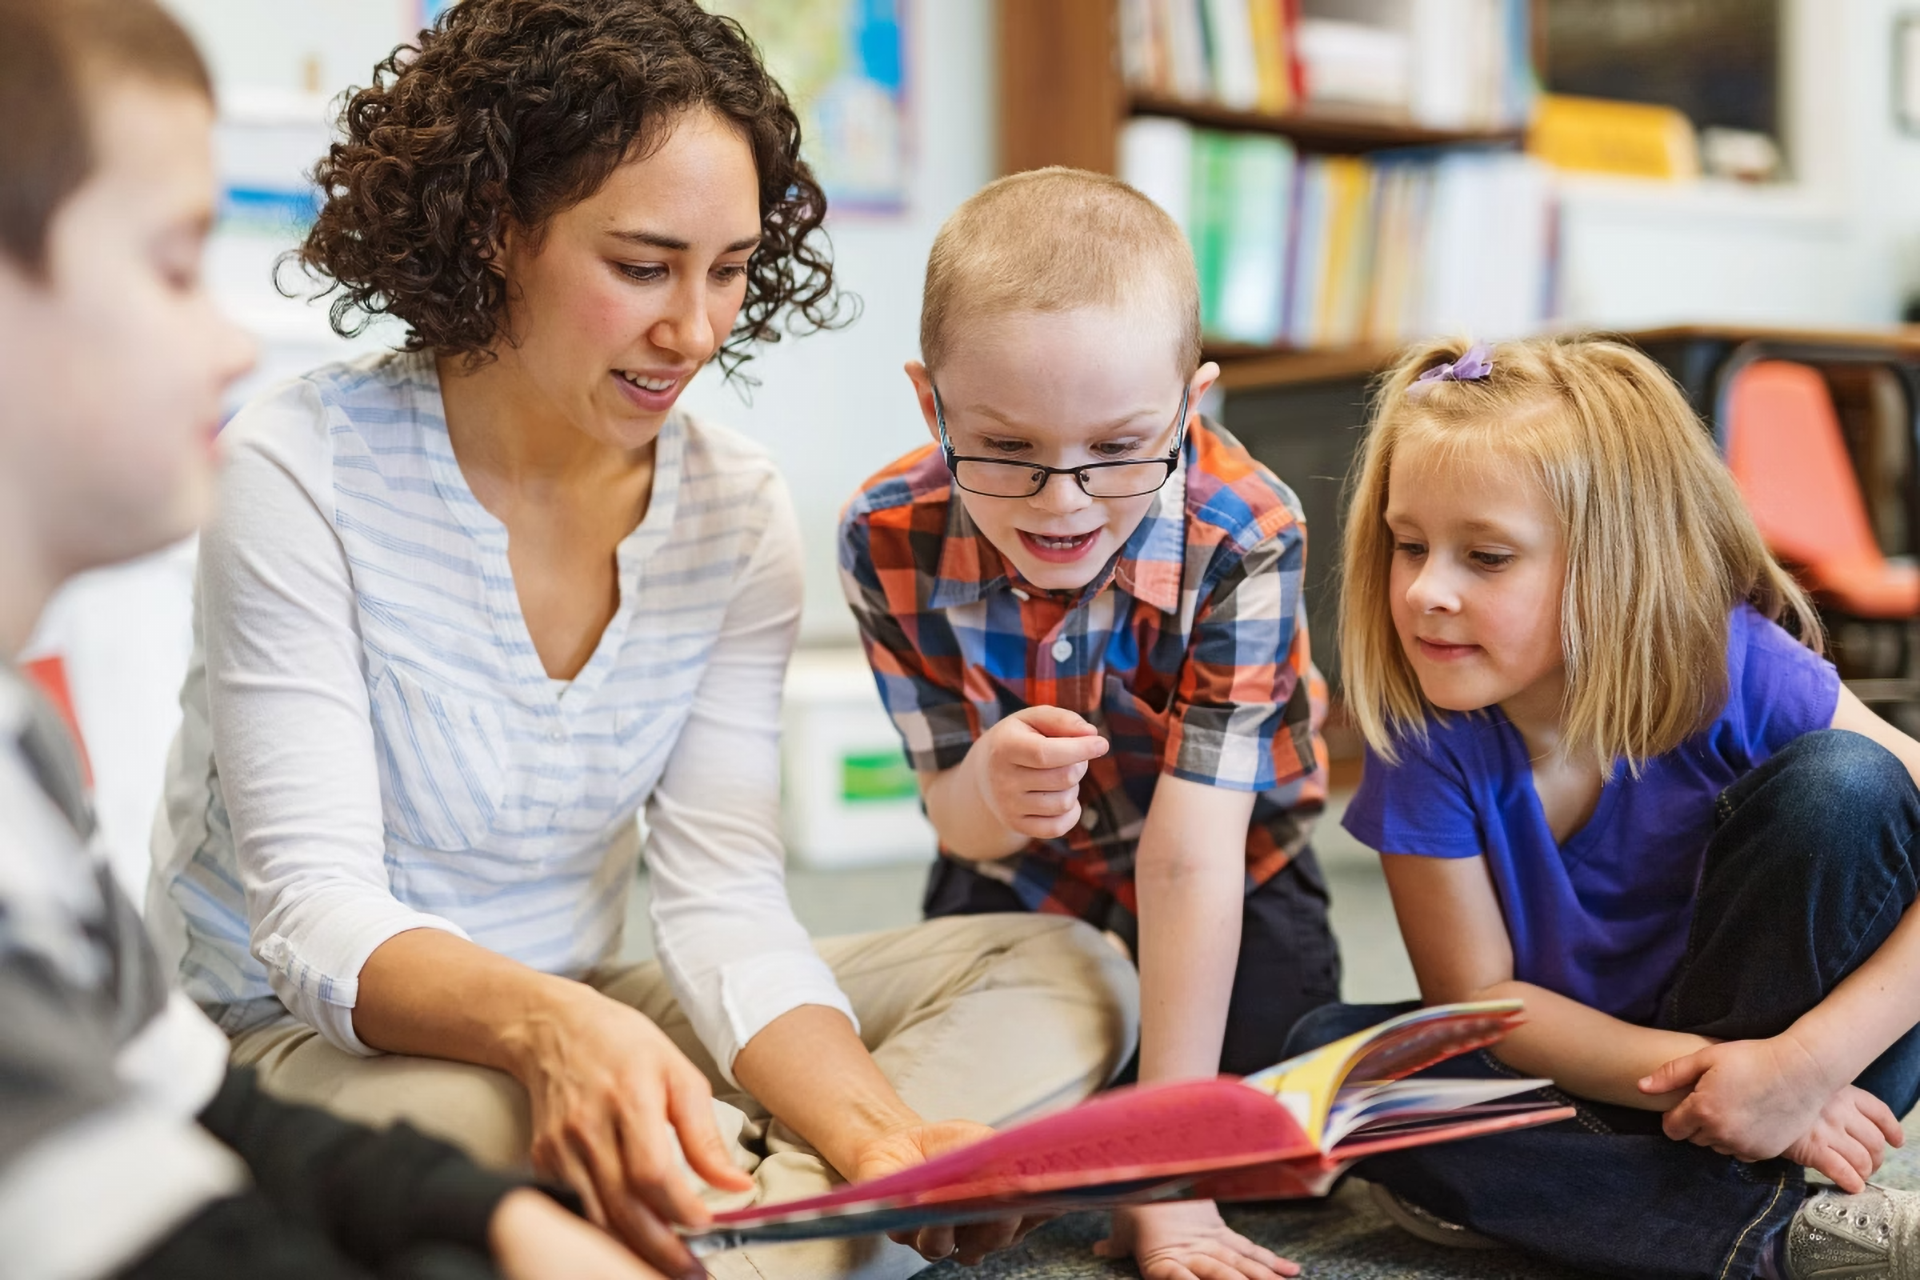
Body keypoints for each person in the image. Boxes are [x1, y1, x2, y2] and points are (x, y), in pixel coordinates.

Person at [146, 4, 1138, 1279]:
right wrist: (558, 1031)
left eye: (728, 267)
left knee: (1068, 969)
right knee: (500, 1124)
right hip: (303, 1040)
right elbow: (312, 916)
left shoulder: (734, 507)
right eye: (644, 264)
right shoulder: (298, 470)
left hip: (597, 998)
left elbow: (722, 899)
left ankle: (743, 1214)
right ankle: (781, 1214)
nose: (698, 328)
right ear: (498, 229)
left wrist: (876, 1129)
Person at [0, 0, 670, 1275]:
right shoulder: (303, 464)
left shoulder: (21, 748)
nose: (228, 341)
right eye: (176, 262)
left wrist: (501, 1219)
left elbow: (204, 1106)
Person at [1296, 334, 1920, 1280]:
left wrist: (1800, 1069)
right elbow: (1480, 1005)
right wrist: (1724, 1084)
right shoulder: (1426, 732)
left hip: (1818, 1060)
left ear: (1617, 564)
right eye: (1410, 546)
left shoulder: (1737, 665)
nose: (1427, 591)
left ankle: (1597, 1199)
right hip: (1592, 1076)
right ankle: (1776, 1229)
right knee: (1338, 1065)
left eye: (1487, 557)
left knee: (1846, 783)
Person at [838, 167, 1339, 1280]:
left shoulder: (1245, 529)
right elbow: (955, 822)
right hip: (1018, 875)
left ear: (1190, 403)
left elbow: (1192, 857)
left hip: (1231, 864)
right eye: (1007, 448)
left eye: (1119, 446)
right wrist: (987, 790)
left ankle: (1138, 1118)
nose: (1063, 500)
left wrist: (1170, 1170)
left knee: (1275, 1138)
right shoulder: (884, 531)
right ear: (933, 405)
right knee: (969, 1112)